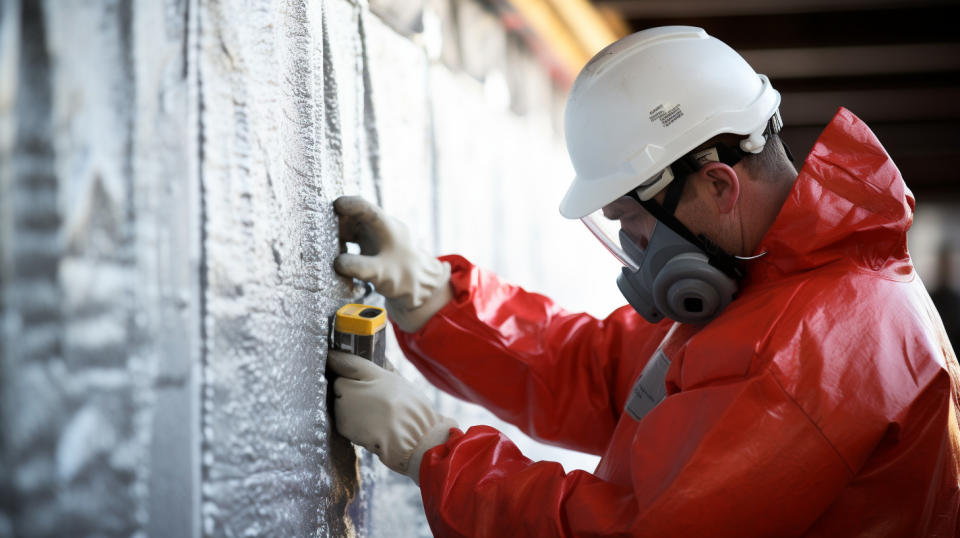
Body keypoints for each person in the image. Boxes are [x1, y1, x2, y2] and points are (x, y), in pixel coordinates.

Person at [327, 26, 960, 536]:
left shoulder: (811, 349)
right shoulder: (772, 284)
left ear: (717, 185)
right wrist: (437, 300)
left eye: (631, 219)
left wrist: (436, 455)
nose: (632, 245)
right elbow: (601, 376)